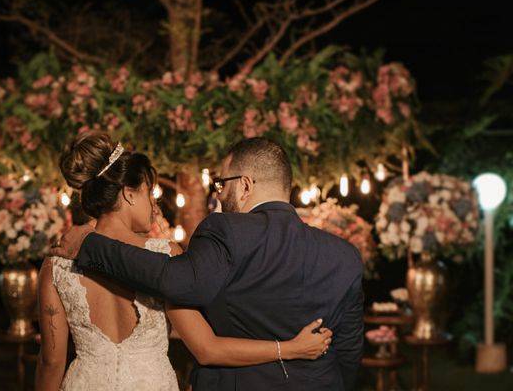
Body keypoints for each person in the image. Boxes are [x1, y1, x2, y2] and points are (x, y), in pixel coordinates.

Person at [51, 136, 364, 391]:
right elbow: (349, 352)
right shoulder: (345, 256)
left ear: (244, 185)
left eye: (221, 184)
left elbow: (177, 282)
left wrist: (92, 245)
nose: (219, 195)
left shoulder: (225, 230)